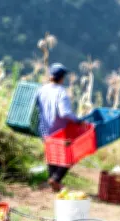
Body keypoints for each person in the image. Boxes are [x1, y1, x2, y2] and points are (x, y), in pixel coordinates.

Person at [37, 63, 82, 191]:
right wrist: (77, 120)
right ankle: (55, 179)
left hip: (45, 129)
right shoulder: (61, 92)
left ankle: (53, 181)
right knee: (70, 154)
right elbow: (64, 113)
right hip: (59, 130)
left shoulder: (42, 89)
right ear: (62, 78)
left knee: (52, 155)